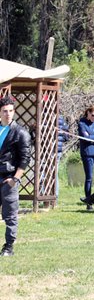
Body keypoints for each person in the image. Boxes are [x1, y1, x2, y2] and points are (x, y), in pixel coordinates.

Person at [0, 95, 32, 256]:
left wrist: (15, 179)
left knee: (10, 214)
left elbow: (25, 158)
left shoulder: (20, 133)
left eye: (11, 111)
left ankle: (8, 246)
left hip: (9, 177)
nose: (8, 114)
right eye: (5, 111)